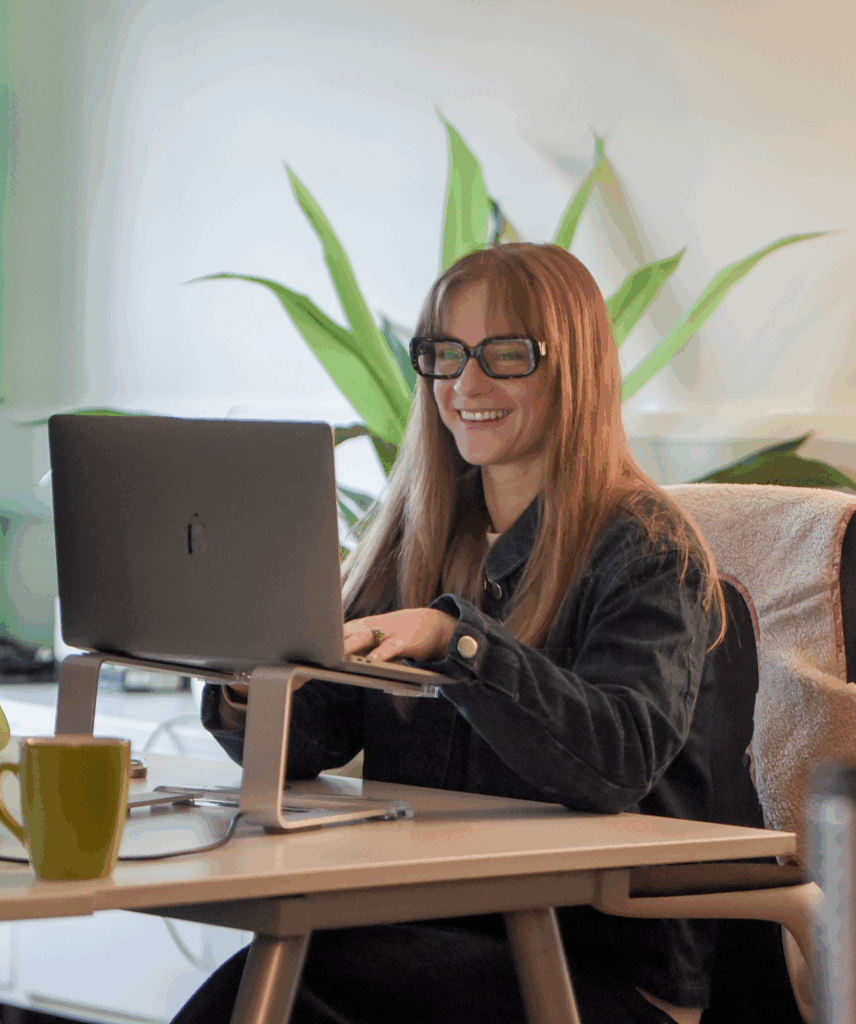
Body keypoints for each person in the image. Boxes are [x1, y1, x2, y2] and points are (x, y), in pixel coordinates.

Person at [174, 243, 726, 1024]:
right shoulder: (416, 538)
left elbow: (617, 762)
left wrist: (456, 641)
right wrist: (247, 677)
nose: (467, 385)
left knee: (287, 987)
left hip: (596, 970)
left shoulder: (644, 547)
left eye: (506, 355)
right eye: (446, 354)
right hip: (430, 932)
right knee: (280, 973)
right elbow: (314, 741)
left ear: (576, 369)